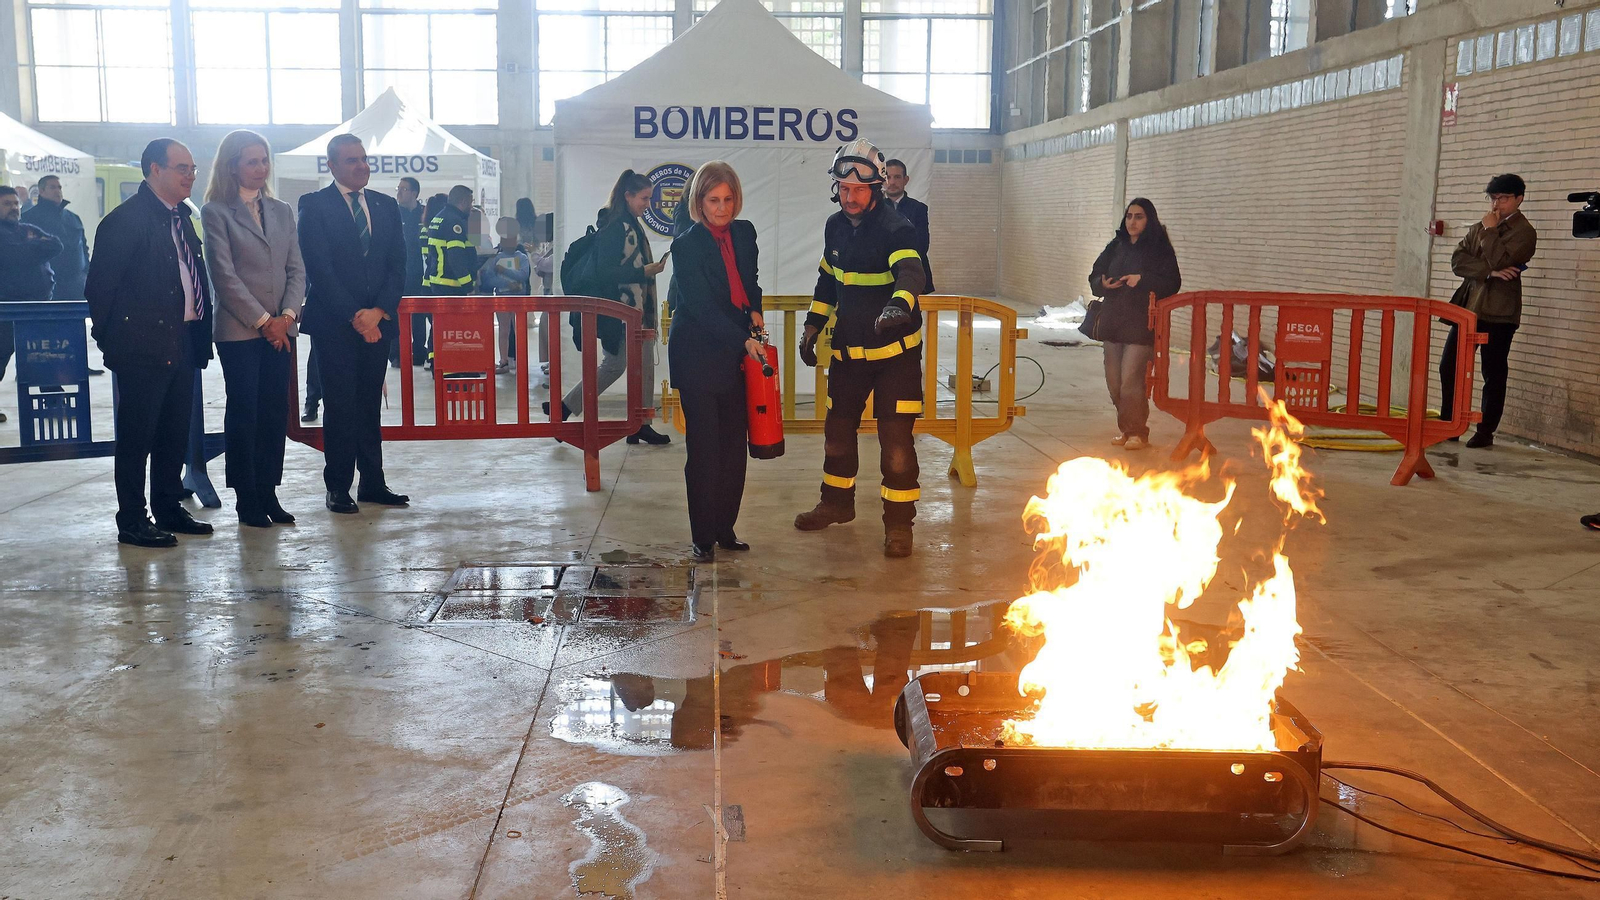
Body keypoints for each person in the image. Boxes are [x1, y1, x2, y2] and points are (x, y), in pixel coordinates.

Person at [794, 139, 927, 559]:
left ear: (876, 188)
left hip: (895, 357)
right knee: (836, 434)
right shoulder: (834, 226)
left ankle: (899, 524)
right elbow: (827, 281)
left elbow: (911, 272)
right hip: (849, 354)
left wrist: (898, 305)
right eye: (844, 189)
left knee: (896, 445)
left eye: (859, 190)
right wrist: (812, 327)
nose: (850, 197)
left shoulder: (896, 227)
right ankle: (836, 504)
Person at [85, 139, 215, 548]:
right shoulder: (125, 221)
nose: (190, 176)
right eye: (182, 168)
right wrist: (115, 342)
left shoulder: (182, 217)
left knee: (173, 434)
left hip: (182, 341)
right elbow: (100, 290)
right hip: (141, 347)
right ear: (155, 170)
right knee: (137, 438)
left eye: (193, 169)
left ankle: (168, 507)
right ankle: (132, 520)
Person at [296, 133, 409, 514]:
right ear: (332, 165)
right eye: (351, 160)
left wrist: (378, 311)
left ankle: (373, 483)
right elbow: (320, 269)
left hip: (378, 322)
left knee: (369, 406)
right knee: (340, 406)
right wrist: (356, 316)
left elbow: (398, 265)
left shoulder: (385, 205)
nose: (361, 166)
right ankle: (338, 486)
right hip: (335, 325)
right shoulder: (315, 205)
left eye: (363, 158)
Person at [201, 130, 306, 528]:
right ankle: (246, 497)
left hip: (283, 328)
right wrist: (265, 322)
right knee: (245, 411)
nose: (261, 168)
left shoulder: (282, 210)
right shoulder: (216, 212)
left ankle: (268, 491)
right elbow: (224, 276)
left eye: (264, 161)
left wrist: (287, 317)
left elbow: (296, 269)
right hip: (241, 331)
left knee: (275, 411)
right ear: (232, 166)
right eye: (251, 161)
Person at [667, 161, 765, 561]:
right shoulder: (686, 245)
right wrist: (743, 339)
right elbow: (702, 308)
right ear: (699, 202)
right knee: (705, 449)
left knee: (733, 449)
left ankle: (725, 528)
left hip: (735, 352)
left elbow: (750, 282)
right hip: (697, 354)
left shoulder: (745, 233)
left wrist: (755, 310)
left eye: (727, 199)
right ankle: (703, 535)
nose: (722, 208)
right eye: (713, 200)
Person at [549, 170, 670, 446]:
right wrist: (644, 271)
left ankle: (640, 423)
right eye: (644, 198)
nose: (648, 204)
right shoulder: (618, 227)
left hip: (632, 311)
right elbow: (605, 273)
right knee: (616, 365)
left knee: (640, 366)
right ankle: (565, 409)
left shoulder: (626, 224)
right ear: (628, 196)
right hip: (624, 312)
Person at [1441, 173, 1537, 450]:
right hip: (1469, 306)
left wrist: (1490, 232)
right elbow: (1458, 261)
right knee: (1450, 366)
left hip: (1499, 312)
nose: (1496, 204)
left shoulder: (1524, 232)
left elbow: (1502, 260)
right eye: (1493, 198)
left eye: (1503, 198)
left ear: (1519, 199)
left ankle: (1485, 431)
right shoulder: (1482, 225)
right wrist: (1489, 272)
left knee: (1492, 372)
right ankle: (1450, 424)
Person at [1087, 198, 1182, 451]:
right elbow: (1095, 274)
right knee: (1114, 384)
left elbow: (1172, 283)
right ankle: (1127, 429)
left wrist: (1142, 279)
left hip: (1141, 327)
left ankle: (1137, 432)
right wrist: (1102, 284)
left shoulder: (1159, 249)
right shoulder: (1116, 245)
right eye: (1129, 216)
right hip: (1112, 324)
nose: (1132, 222)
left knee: (1131, 382)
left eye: (1139, 217)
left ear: (1149, 219)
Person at [0, 184, 64, 423]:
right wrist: (35, 246)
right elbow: (13, 255)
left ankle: (54, 402)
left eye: (16, 203)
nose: (14, 208)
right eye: (7, 204)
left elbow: (56, 244)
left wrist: (29, 246)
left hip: (37, 308)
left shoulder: (26, 229)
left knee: (44, 355)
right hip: (7, 311)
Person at [423, 185, 478, 372]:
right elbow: (456, 257)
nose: (471, 206)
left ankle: (437, 364)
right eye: (470, 201)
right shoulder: (454, 222)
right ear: (462, 201)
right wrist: (468, 284)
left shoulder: (439, 217)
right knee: (452, 329)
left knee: (439, 326)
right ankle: (450, 369)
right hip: (451, 285)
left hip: (438, 283)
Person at [477, 216, 531, 374]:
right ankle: (504, 360)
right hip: (502, 298)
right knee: (504, 330)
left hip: (518, 298)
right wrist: (506, 284)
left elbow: (523, 275)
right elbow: (489, 279)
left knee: (519, 330)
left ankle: (521, 360)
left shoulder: (522, 257)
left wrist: (504, 271)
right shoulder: (497, 258)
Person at [882, 159, 935, 294]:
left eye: (897, 177)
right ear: (882, 180)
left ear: (906, 180)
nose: (892, 182)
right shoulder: (873, 211)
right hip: (883, 277)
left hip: (915, 274)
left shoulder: (918, 209)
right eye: (888, 177)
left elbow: (922, 245)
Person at [394, 176, 426, 367]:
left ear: (414, 193)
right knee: (397, 314)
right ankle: (397, 354)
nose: (399, 192)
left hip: (420, 273)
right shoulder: (394, 214)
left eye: (404, 189)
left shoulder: (424, 214)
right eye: (398, 188)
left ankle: (419, 352)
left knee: (419, 314)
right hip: (398, 272)